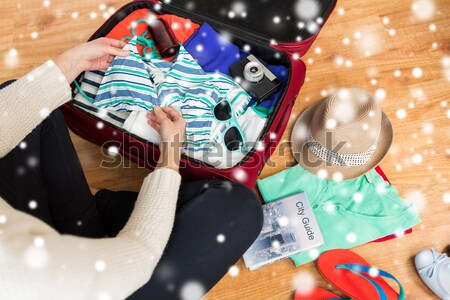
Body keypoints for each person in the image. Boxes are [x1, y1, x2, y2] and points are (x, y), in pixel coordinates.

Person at [0, 38, 263, 300]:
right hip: (95, 281)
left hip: (40, 240)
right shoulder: (16, 273)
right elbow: (136, 261)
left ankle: (87, 205)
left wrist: (69, 64)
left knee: (25, 103)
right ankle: (92, 214)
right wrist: (170, 153)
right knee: (239, 208)